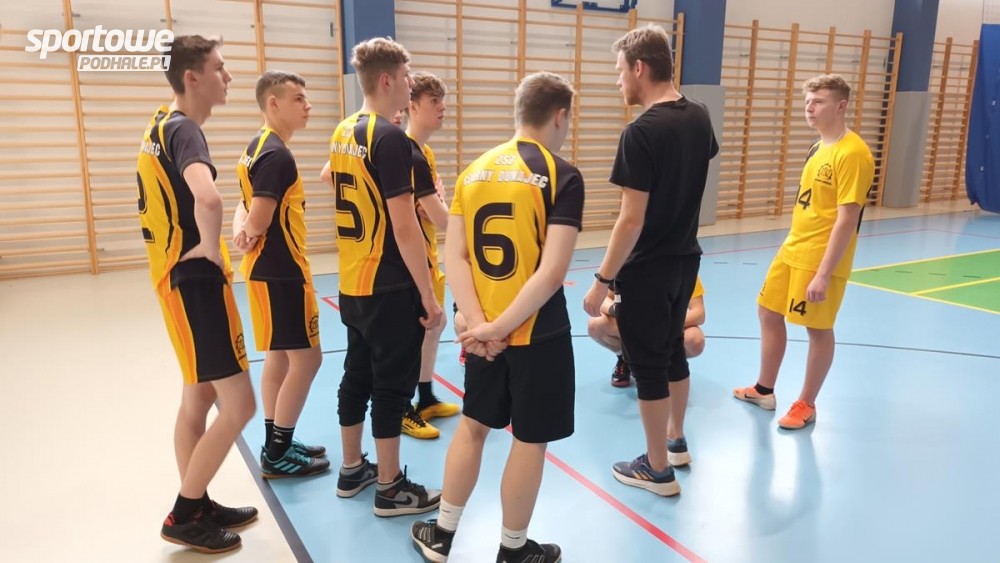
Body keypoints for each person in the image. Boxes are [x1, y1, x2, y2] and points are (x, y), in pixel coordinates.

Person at [411, 71, 583, 563]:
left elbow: (456, 256)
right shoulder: (562, 176)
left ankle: (442, 534)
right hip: (536, 332)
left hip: (482, 336)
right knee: (530, 440)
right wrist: (498, 328)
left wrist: (475, 323)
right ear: (559, 116)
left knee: (473, 426)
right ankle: (513, 549)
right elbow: (552, 273)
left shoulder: (474, 172)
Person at [582, 25, 718, 497]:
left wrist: (602, 280)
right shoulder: (699, 116)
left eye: (620, 71)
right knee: (673, 351)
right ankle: (675, 441)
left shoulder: (640, 132)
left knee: (649, 366)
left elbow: (631, 219)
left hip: (646, 268)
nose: (618, 80)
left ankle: (657, 469)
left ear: (639, 68)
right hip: (685, 259)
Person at [137, 35, 257, 553]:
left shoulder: (160, 124)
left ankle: (199, 501)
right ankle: (185, 513)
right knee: (241, 405)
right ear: (192, 77)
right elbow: (207, 198)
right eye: (219, 68)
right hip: (195, 283)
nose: (227, 77)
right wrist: (210, 247)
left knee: (199, 396)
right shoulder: (185, 129)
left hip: (172, 278)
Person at [327, 36, 444, 517]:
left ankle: (352, 468)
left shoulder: (343, 130)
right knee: (392, 388)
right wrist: (428, 296)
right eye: (407, 75)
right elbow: (404, 226)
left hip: (352, 281)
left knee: (356, 376)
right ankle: (391, 487)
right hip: (388, 283)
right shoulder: (390, 137)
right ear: (387, 79)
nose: (411, 84)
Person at [733, 74, 874, 430]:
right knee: (768, 311)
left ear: (840, 106)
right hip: (793, 247)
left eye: (819, 101)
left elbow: (847, 219)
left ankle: (806, 403)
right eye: (808, 101)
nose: (810, 108)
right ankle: (764, 390)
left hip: (821, 257)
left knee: (818, 328)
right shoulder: (818, 146)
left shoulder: (853, 153)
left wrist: (824, 273)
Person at [232, 70, 329, 479]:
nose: (308, 106)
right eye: (299, 99)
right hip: (282, 272)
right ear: (273, 104)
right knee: (307, 360)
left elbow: (245, 205)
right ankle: (277, 451)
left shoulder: (257, 146)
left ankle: (278, 440)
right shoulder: (276, 155)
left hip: (264, 270)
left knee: (277, 356)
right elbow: (259, 214)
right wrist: (250, 229)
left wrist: (243, 230)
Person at [400, 71, 461, 440]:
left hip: (427, 252)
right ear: (412, 106)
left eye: (443, 101)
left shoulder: (425, 153)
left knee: (433, 328)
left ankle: (425, 397)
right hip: (411, 260)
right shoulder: (408, 153)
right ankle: (403, 408)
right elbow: (441, 217)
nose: (443, 108)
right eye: (434, 102)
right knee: (415, 332)